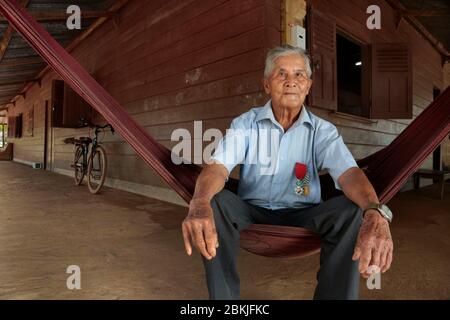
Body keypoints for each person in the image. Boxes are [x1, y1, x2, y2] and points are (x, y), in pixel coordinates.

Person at [181, 45, 394, 300]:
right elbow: (218, 167)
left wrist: (374, 211)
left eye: (299, 75)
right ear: (267, 85)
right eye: (281, 74)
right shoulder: (246, 124)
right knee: (215, 203)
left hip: (305, 213)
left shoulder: (322, 131)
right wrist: (199, 202)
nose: (291, 82)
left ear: (308, 86)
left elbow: (349, 173)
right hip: (252, 211)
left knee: (350, 212)